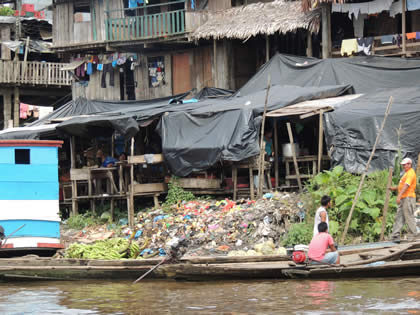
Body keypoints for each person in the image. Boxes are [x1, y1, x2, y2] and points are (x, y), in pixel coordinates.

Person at [390, 157, 418, 242]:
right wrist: (394, 188)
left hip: (408, 198)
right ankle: (395, 236)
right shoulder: (406, 174)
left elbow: (406, 185)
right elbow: (402, 185)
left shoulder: (411, 173)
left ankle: (413, 235)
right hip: (403, 198)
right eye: (403, 165)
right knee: (399, 217)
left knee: (409, 216)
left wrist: (398, 196)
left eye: (405, 164)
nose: (404, 166)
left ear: (410, 164)